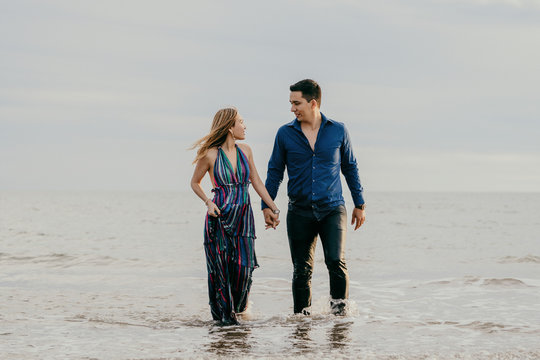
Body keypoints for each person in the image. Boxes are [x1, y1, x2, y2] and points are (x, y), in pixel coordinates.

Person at [262, 79, 366, 316]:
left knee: (335, 262)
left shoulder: (338, 130)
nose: (292, 108)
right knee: (301, 270)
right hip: (299, 211)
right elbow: (275, 172)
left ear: (313, 103)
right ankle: (301, 322)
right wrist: (267, 205)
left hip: (332, 208)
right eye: (291, 103)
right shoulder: (285, 134)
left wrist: (359, 204)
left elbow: (350, 167)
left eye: (296, 103)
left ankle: (340, 320)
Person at [190, 107, 280, 325]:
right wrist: (208, 202)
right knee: (220, 272)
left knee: (243, 269)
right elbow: (194, 182)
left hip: (243, 218)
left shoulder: (246, 150)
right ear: (230, 127)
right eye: (241, 121)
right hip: (219, 216)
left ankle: (238, 314)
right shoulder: (209, 154)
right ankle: (224, 323)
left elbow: (256, 181)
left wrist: (273, 208)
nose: (245, 125)